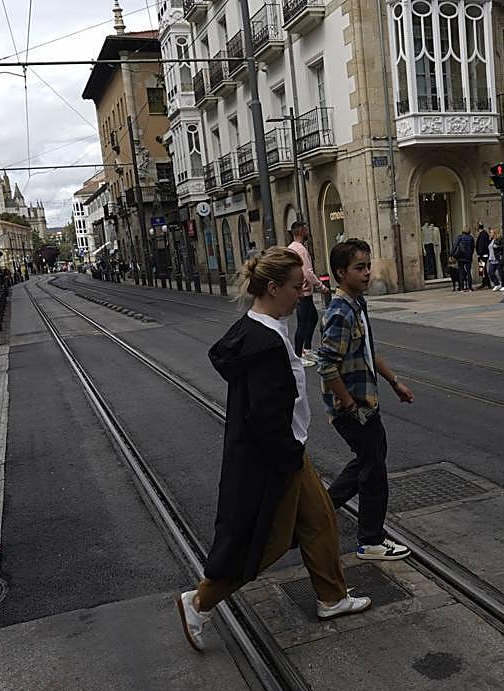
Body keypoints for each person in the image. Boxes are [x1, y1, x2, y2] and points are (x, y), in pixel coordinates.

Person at [176, 247, 372, 651]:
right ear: (272, 288)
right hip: (276, 457)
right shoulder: (263, 341)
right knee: (267, 541)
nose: (302, 294)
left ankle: (332, 597)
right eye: (296, 287)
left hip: (289, 448)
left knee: (320, 520)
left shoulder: (267, 329)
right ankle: (200, 601)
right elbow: (265, 415)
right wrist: (288, 457)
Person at [317, 239, 413, 562]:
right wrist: (349, 403)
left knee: (369, 460)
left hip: (364, 401)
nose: (367, 273)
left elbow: (369, 351)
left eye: (368, 266)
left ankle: (319, 511)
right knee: (374, 472)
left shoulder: (357, 304)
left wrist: (394, 382)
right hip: (353, 406)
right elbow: (326, 364)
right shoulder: (340, 312)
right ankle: (370, 540)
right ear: (341, 273)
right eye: (360, 268)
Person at [287, 221, 325, 367]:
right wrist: (320, 285)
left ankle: (307, 349)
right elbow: (308, 272)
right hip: (304, 291)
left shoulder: (291, 248)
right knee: (303, 323)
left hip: (300, 290)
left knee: (312, 318)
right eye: (306, 229)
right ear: (302, 231)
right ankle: (298, 355)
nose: (308, 232)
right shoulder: (301, 250)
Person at [450, 226, 475, 292]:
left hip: (461, 257)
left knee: (461, 272)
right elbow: (473, 248)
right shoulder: (471, 238)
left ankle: (461, 288)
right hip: (468, 257)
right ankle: (470, 287)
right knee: (468, 272)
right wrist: (470, 254)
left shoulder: (460, 237)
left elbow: (455, 246)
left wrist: (451, 254)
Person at [475, 223, 491, 288]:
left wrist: (480, 254)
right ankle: (484, 282)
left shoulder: (483, 234)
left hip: (482, 255)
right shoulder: (483, 234)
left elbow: (481, 245)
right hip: (483, 255)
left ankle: (487, 283)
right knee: (482, 269)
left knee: (483, 269)